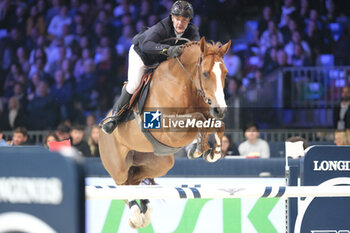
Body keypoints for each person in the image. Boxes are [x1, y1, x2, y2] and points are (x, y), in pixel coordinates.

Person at [101, 1, 200, 134]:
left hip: (161, 60)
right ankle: (115, 116)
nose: (180, 23)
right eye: (177, 19)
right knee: (134, 83)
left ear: (189, 20)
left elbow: (195, 52)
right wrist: (168, 49)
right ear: (172, 17)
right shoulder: (162, 27)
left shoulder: (193, 31)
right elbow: (146, 45)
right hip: (141, 55)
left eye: (184, 19)